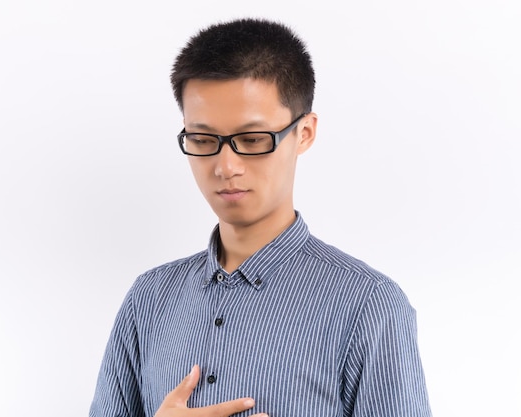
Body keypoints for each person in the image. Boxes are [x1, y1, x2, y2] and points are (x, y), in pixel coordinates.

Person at [90, 17, 432, 417]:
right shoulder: (148, 299)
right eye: (202, 140)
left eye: (252, 140)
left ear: (304, 133)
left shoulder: (369, 307)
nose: (226, 166)